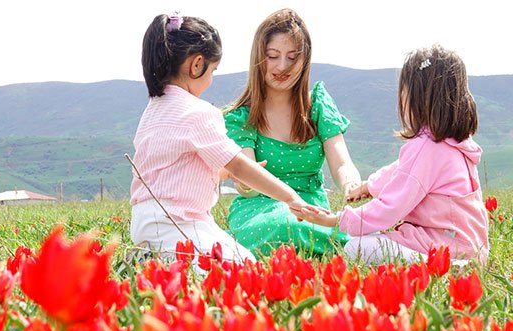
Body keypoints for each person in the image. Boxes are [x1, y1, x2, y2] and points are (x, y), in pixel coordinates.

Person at [130, 13, 322, 262]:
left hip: (147, 222)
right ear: (197, 64)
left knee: (240, 257)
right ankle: (159, 259)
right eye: (213, 71)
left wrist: (227, 173)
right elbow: (238, 164)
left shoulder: (153, 110)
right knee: (238, 267)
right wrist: (290, 197)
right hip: (178, 222)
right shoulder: (198, 113)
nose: (211, 80)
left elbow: (184, 169)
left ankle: (151, 255)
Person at [302, 46, 488, 263]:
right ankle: (453, 264)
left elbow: (390, 208)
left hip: (441, 246)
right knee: (369, 236)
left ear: (416, 96)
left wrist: (337, 220)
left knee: (356, 246)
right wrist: (369, 186)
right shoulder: (456, 144)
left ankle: (440, 266)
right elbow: (400, 170)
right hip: (471, 246)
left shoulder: (426, 148)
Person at [223, 9, 362, 256]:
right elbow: (248, 178)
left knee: (358, 229)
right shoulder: (241, 117)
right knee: (282, 225)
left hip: (312, 208)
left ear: (305, 60)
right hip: (259, 209)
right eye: (273, 56)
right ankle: (342, 248)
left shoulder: (318, 105)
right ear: (258, 57)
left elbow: (341, 162)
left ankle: (346, 244)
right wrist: (244, 183)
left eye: (292, 57)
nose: (282, 66)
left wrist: (351, 184)